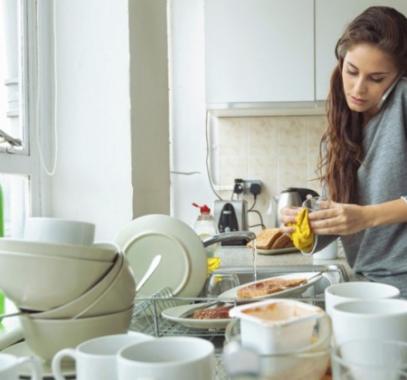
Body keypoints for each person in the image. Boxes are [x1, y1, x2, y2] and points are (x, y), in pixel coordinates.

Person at [281, 6, 407, 296]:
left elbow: (362, 216)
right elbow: (343, 220)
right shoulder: (339, 130)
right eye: (351, 72)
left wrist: (367, 216)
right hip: (368, 285)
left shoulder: (403, 99)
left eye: (376, 79)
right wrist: (309, 224)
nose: (359, 89)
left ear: (399, 75)